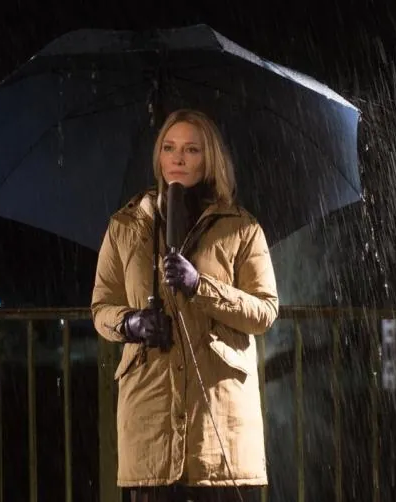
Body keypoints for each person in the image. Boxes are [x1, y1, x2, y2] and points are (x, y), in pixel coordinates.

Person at [91, 109, 279, 502]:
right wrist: (131, 323)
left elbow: (264, 311)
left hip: (219, 420)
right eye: (169, 147)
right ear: (158, 156)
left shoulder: (241, 228)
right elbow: (102, 307)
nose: (178, 158)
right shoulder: (126, 227)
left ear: (210, 158)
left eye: (192, 149)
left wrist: (200, 286)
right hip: (149, 417)